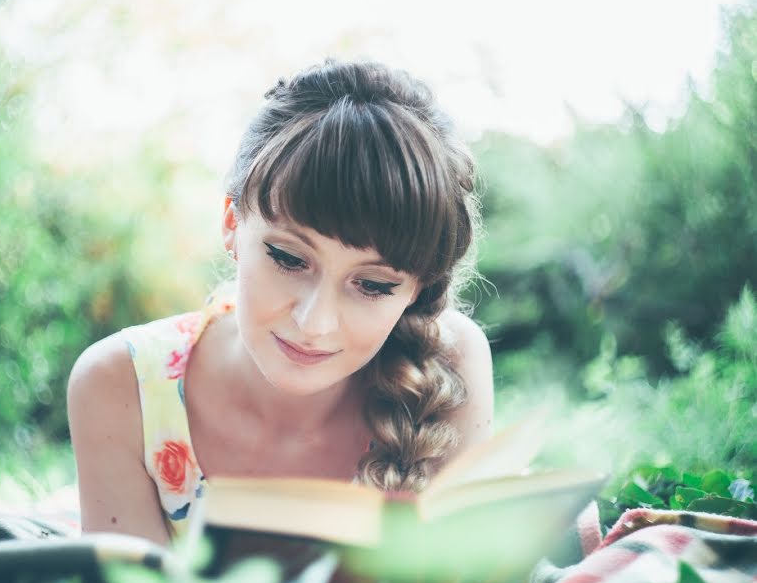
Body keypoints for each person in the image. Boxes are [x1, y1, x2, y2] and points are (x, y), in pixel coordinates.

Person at [67, 58, 494, 546]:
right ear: (232, 222)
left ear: (419, 288)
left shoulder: (448, 369)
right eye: (289, 258)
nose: (314, 323)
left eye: (372, 286)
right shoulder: (122, 387)